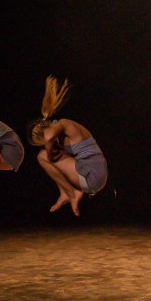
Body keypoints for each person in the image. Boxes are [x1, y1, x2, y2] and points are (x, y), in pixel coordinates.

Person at [25, 76, 108, 216]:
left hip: (92, 173)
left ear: (41, 137)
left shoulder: (63, 124)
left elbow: (49, 136)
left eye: (41, 144)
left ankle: (72, 193)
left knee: (42, 157)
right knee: (48, 158)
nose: (45, 145)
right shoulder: (59, 135)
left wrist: (50, 155)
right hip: (95, 173)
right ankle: (65, 193)